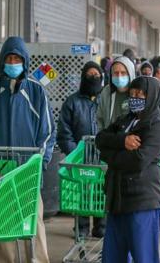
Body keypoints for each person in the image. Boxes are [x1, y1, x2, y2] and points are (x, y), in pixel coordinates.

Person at [0, 36, 54, 263]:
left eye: (18, 58)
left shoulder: (37, 92)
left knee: (33, 221)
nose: (13, 62)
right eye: (9, 58)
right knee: (1, 223)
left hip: (28, 172)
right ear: (2, 61)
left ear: (25, 61)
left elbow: (47, 132)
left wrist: (40, 163)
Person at [95, 76, 160, 263]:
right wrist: (122, 141)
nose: (135, 97)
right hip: (117, 200)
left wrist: (111, 157)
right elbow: (100, 139)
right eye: (132, 93)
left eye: (140, 94)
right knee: (112, 257)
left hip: (143, 201)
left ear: (151, 96)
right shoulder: (124, 120)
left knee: (144, 257)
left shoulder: (158, 127)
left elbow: (139, 161)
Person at [57, 61, 106, 238]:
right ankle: (82, 227)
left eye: (97, 75)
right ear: (83, 77)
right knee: (81, 192)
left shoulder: (106, 100)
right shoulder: (72, 102)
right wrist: (74, 154)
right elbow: (64, 132)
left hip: (103, 157)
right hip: (80, 158)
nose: (93, 78)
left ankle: (101, 226)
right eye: (89, 75)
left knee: (102, 190)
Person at [97, 56, 136, 131]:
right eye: (116, 73)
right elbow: (100, 117)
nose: (119, 76)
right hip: (109, 138)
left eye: (123, 73)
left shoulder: (138, 93)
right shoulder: (106, 91)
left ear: (130, 74)